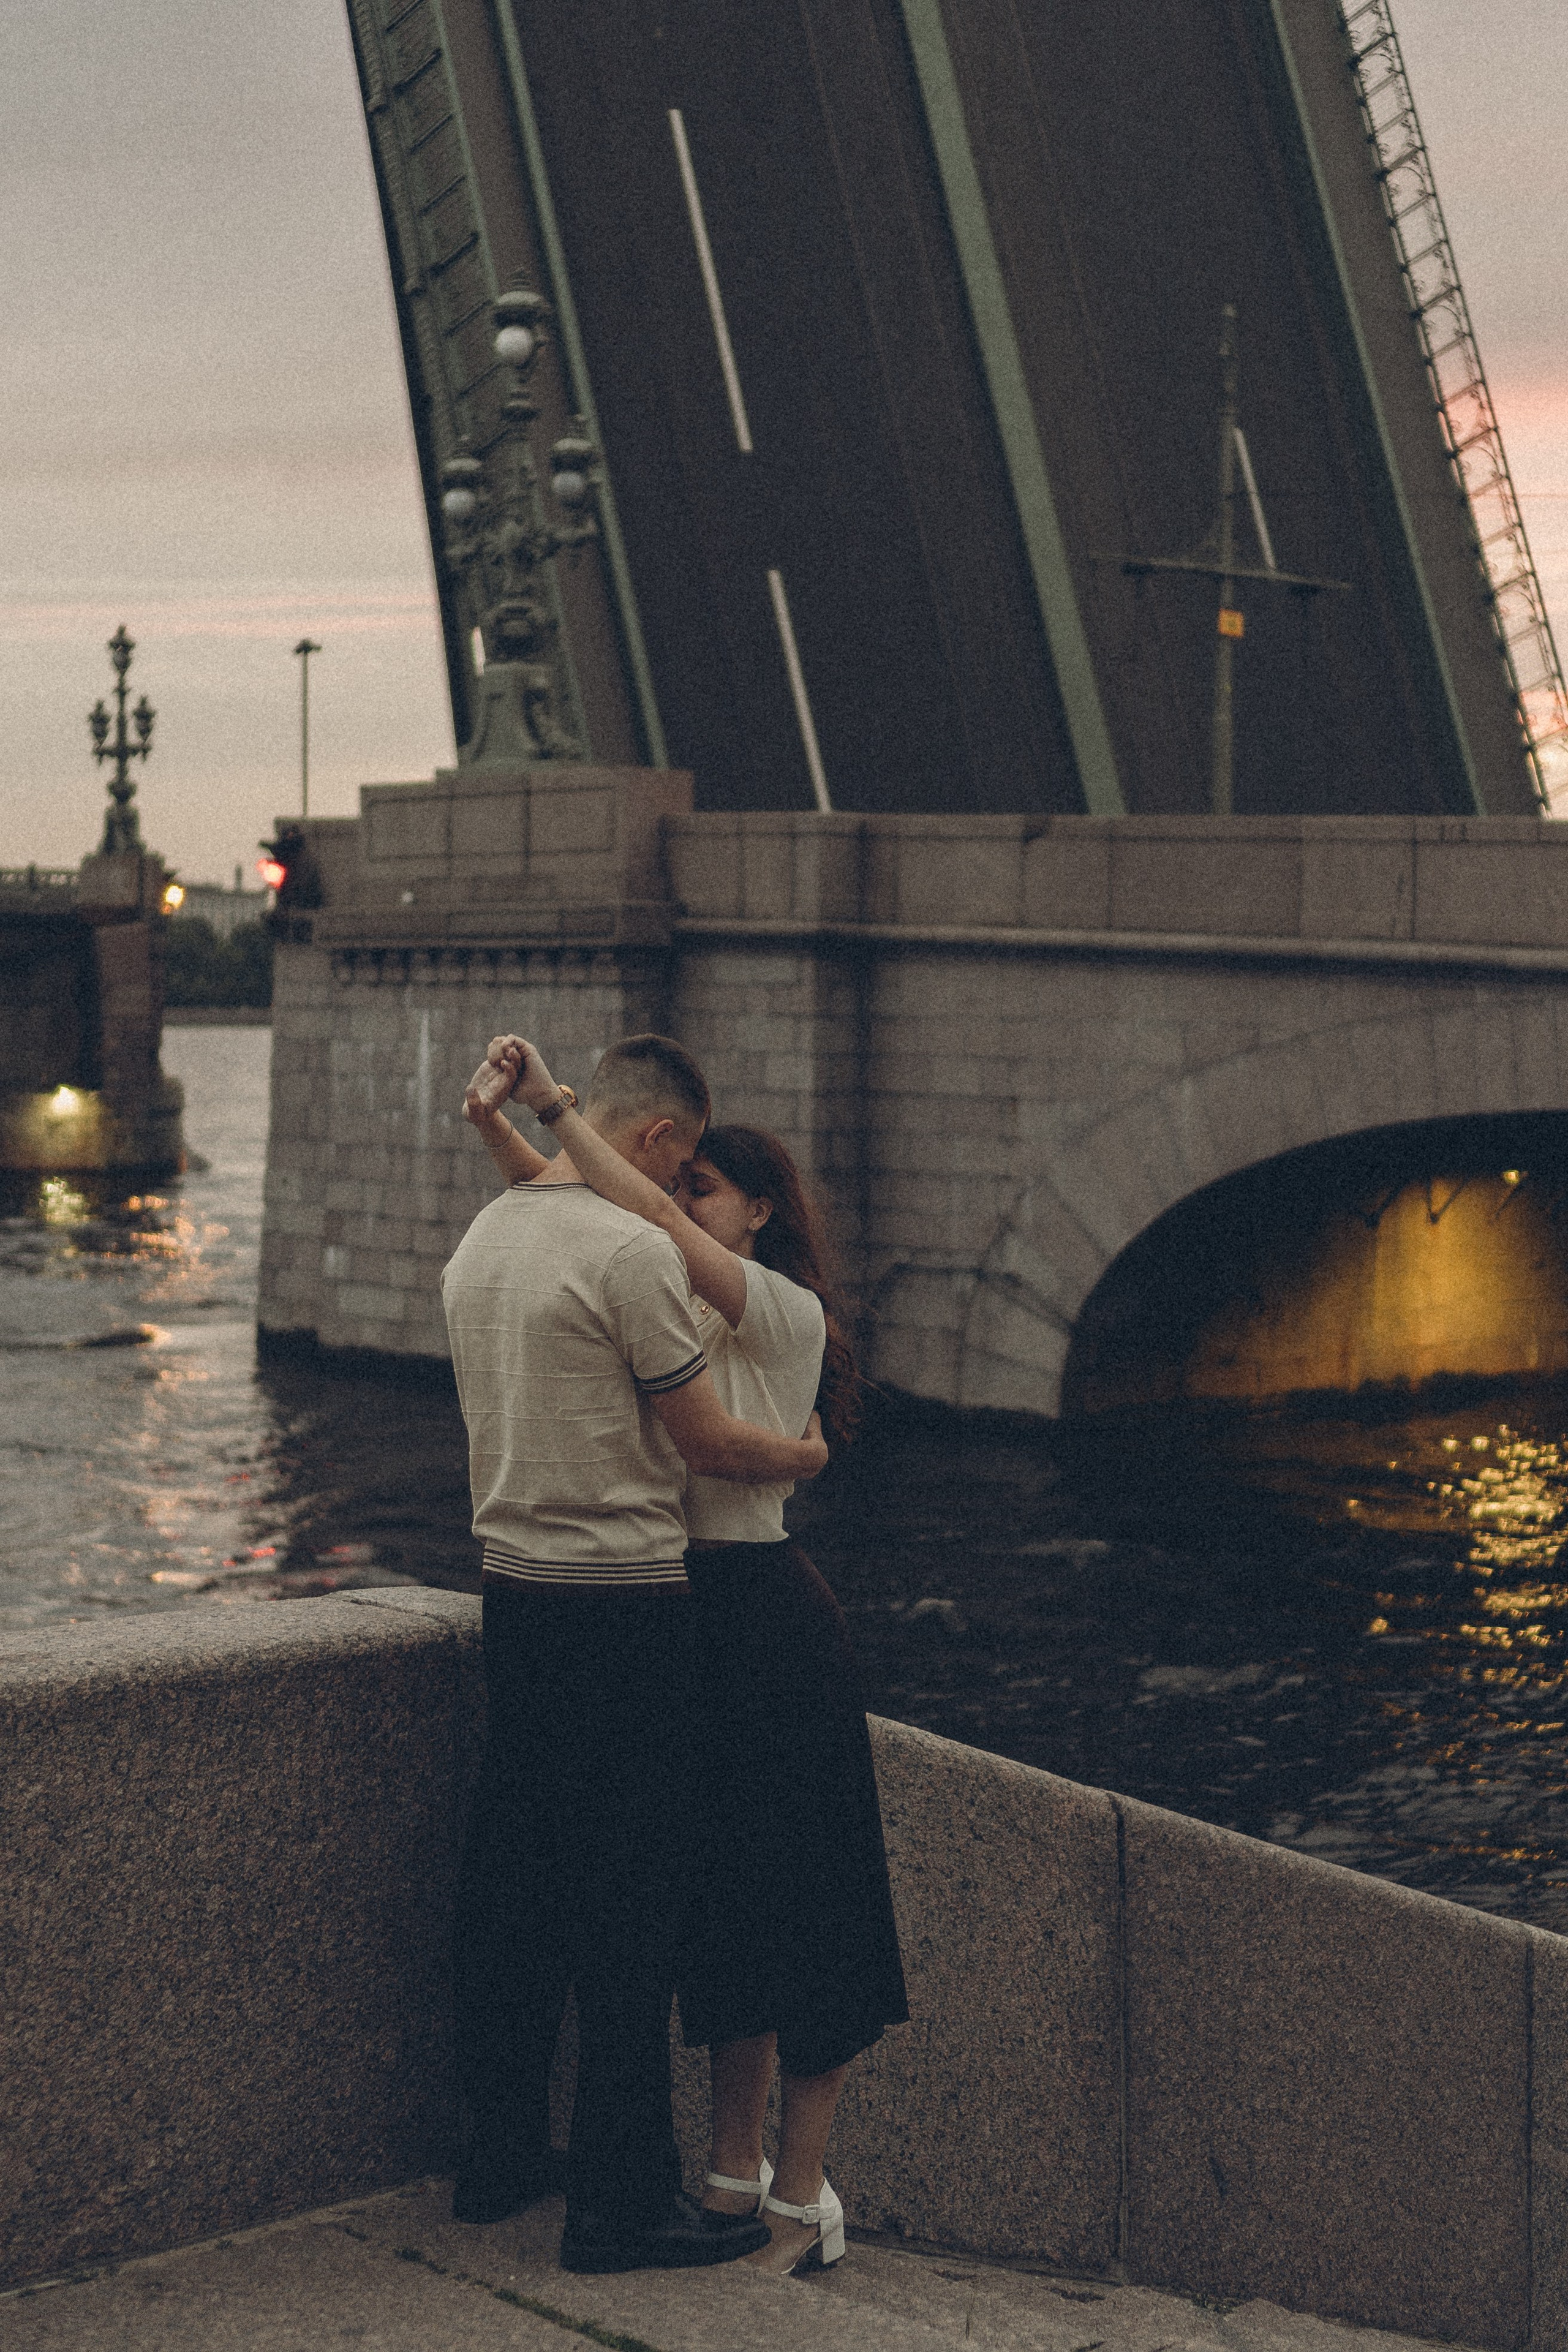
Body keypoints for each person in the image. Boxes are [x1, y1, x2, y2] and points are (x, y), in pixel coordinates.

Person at [466, 1031, 909, 2278]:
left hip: (760, 1617)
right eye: (680, 1181)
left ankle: (800, 2196)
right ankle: (729, 2175)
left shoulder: (775, 1306)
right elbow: (580, 1194)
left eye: (701, 1189)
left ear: (755, 1211)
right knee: (711, 1907)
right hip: (673, 1612)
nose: (664, 1199)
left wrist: (554, 1104)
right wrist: (492, 1123)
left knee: (799, 1901)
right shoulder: (648, 1277)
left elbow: (629, 1195)